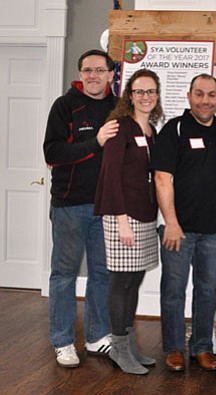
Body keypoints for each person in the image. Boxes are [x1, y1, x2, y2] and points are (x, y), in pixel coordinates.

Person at [43, 49, 118, 368]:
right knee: (64, 276)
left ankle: (97, 337)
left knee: (102, 274)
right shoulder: (64, 106)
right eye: (87, 70)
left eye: (99, 70)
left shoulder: (120, 108)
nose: (93, 75)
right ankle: (62, 341)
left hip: (107, 207)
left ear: (111, 74)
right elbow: (53, 153)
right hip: (70, 207)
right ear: (80, 73)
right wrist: (96, 142)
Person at [151, 74, 216, 372]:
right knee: (173, 291)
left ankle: (201, 347)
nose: (205, 100)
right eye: (199, 94)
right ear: (189, 96)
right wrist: (170, 222)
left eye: (211, 95)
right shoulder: (175, 129)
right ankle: (173, 348)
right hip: (178, 231)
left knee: (208, 291)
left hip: (215, 231)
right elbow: (161, 178)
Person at [94, 68, 163, 375]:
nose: (145, 97)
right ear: (130, 96)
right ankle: (119, 348)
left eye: (151, 91)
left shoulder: (151, 130)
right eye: (140, 92)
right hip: (123, 215)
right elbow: (110, 175)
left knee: (135, 280)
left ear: (157, 95)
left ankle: (129, 343)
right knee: (122, 282)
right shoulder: (119, 127)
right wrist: (121, 220)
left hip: (145, 214)